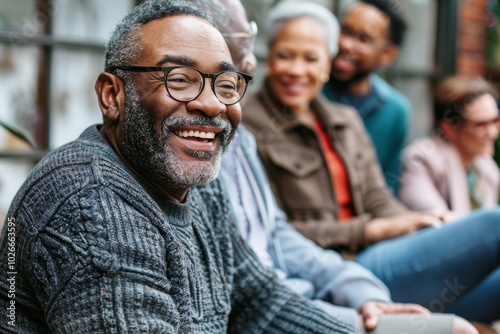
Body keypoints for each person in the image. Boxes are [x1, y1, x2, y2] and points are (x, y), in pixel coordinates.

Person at [0, 1, 362, 333]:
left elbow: (256, 299)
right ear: (112, 95)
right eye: (179, 80)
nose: (211, 104)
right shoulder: (91, 203)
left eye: (225, 83)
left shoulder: (199, 179)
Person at [242, 0, 500, 327]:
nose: (296, 69)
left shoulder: (345, 120)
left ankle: (429, 317)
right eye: (284, 55)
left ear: (326, 64)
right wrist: (370, 229)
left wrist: (418, 223)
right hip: (341, 267)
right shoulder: (249, 126)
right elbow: (271, 231)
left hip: (384, 254)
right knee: (495, 225)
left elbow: (378, 198)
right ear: (269, 57)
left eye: (310, 58)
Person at [322, 0, 410, 194]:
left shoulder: (396, 110)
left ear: (387, 54)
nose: (345, 44)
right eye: (344, 31)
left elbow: (388, 187)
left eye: (363, 39)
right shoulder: (309, 91)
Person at [399, 75, 500, 217]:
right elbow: (436, 222)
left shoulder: (487, 168)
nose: (493, 132)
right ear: (449, 128)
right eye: (480, 125)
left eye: (496, 121)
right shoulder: (421, 159)